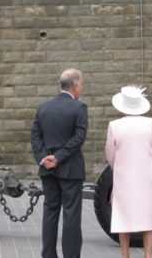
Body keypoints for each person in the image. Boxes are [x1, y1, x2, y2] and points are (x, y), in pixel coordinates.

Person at [30, 68, 88, 258]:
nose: (81, 89)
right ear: (75, 86)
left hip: (47, 170)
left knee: (50, 213)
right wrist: (59, 158)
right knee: (71, 215)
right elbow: (79, 138)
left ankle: (48, 255)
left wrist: (45, 158)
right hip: (71, 170)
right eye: (81, 85)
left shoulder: (43, 107)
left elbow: (35, 137)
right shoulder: (79, 108)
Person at [105, 86, 152, 258]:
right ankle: (148, 254)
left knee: (123, 216)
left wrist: (120, 166)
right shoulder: (150, 123)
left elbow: (110, 154)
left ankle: (125, 254)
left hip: (123, 176)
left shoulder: (114, 125)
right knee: (148, 216)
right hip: (147, 176)